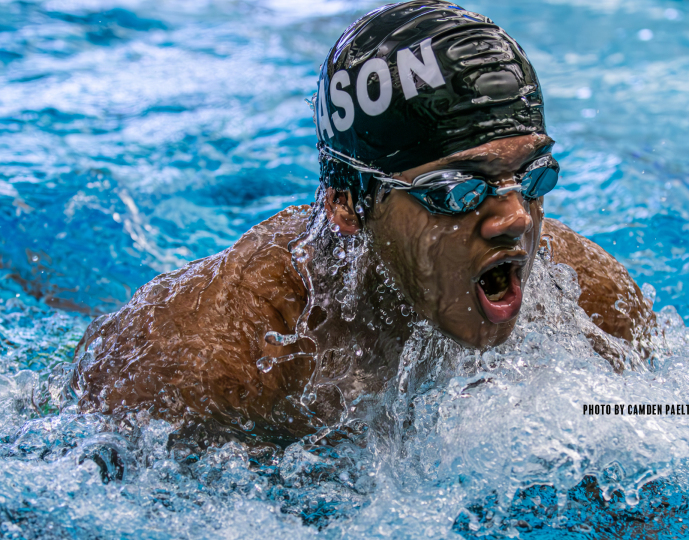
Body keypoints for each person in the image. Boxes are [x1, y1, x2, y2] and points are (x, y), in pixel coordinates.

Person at [72, 0, 653, 446]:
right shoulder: (209, 361)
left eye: (531, 176)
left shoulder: (594, 306)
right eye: (455, 190)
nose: (514, 219)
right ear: (347, 204)